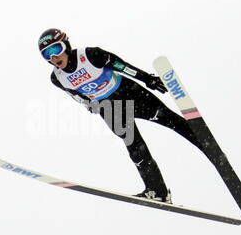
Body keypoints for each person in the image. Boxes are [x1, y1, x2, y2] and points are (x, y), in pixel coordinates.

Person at [38, 28, 208, 204]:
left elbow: (122, 66)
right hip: (110, 108)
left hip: (128, 93)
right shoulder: (57, 78)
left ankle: (208, 146)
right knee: (136, 149)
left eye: (55, 50)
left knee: (169, 120)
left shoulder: (89, 55)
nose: (53, 57)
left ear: (66, 45)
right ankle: (158, 192)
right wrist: (89, 104)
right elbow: (75, 95)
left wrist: (147, 79)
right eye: (46, 55)